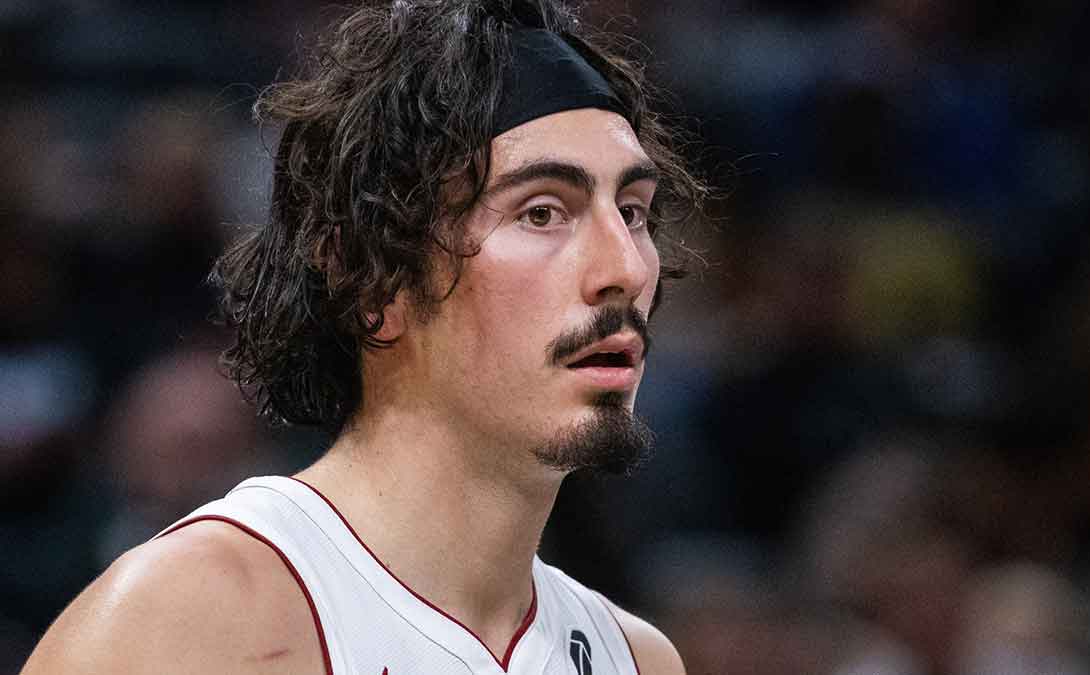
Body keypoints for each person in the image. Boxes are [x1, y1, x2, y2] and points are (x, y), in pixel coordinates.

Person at [21, 1, 706, 673]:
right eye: (542, 211)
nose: (624, 266)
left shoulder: (637, 657)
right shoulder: (187, 624)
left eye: (633, 211)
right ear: (370, 277)